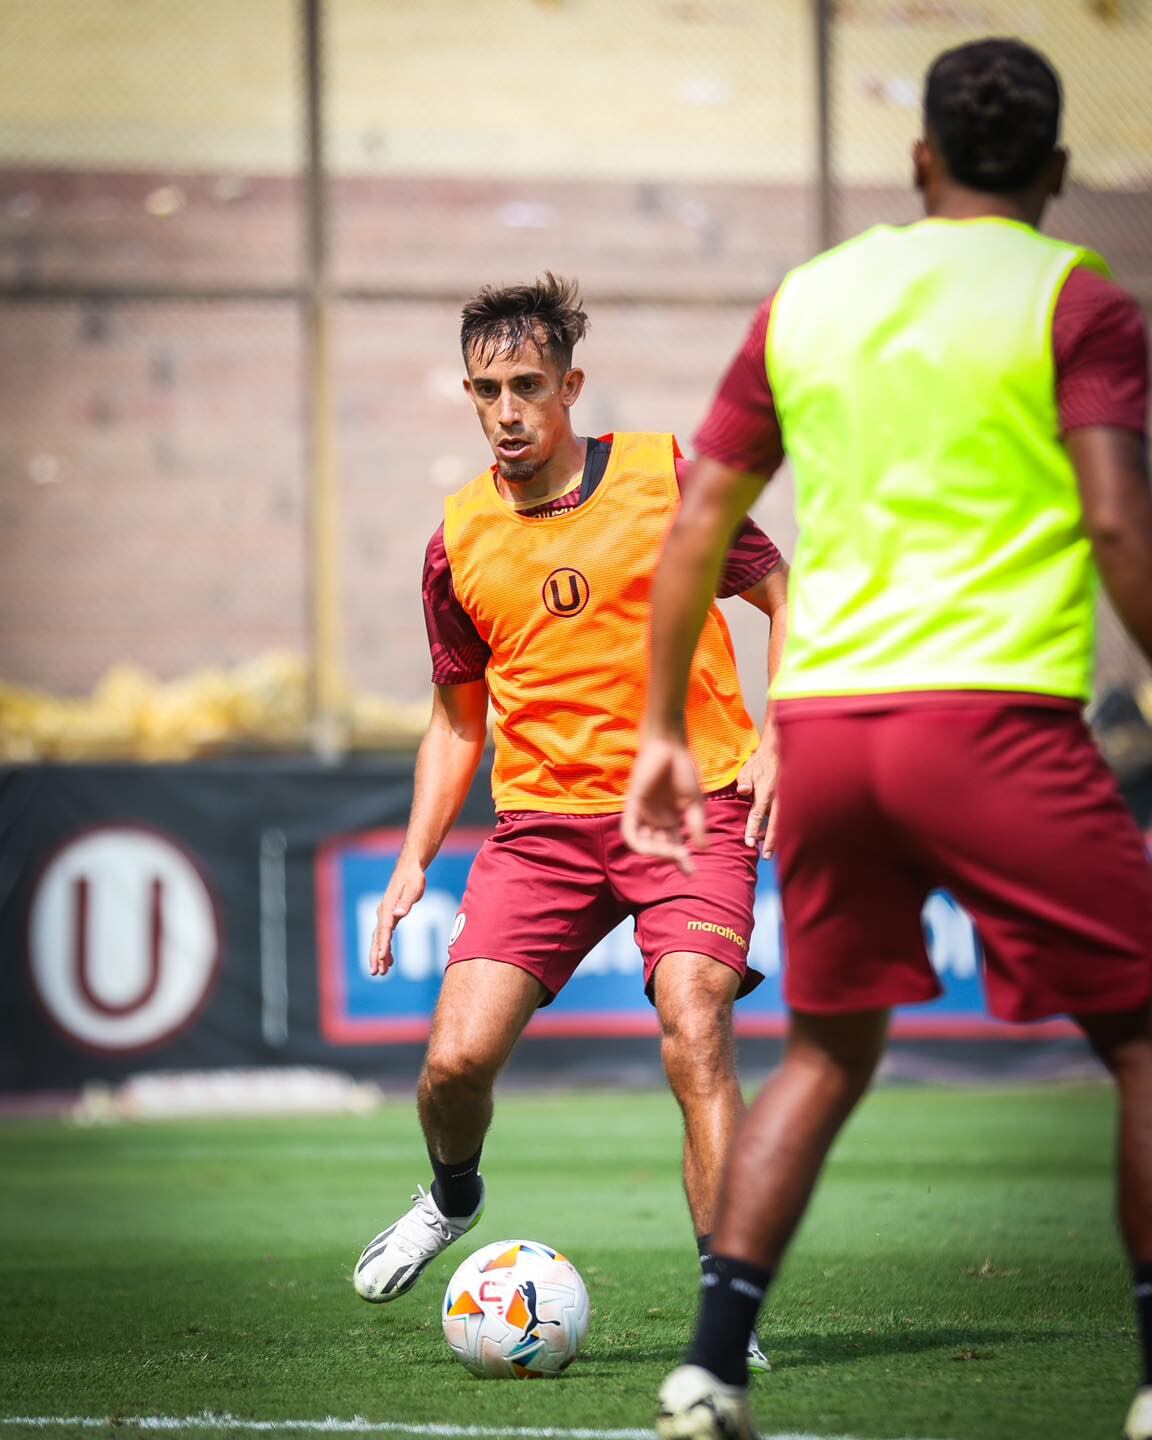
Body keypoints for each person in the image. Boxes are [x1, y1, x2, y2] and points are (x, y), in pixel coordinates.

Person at [622, 38, 1152, 1440]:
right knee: (1148, 1039)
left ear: (919, 162)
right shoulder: (1077, 300)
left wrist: (664, 724)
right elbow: (1116, 520)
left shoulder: (811, 299)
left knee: (823, 1051)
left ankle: (710, 1371)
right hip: (989, 719)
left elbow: (694, 525)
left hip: (831, 735)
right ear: (1053, 172)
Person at [352, 273, 788, 1375]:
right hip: (541, 829)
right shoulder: (457, 540)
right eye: (487, 389)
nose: (507, 410)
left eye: (528, 386)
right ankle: (454, 1197)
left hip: (692, 807)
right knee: (453, 1066)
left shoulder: (667, 476)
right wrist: (413, 856)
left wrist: (784, 733)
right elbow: (456, 725)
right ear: (468, 393)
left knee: (696, 1025)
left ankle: (724, 1328)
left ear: (570, 386)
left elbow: (783, 588)